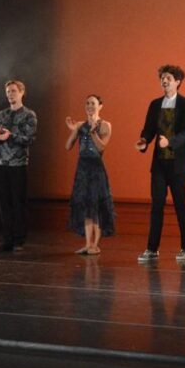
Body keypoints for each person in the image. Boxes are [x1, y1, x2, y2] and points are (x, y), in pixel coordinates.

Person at [135, 65, 185, 262]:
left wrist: (170, 142)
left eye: (168, 77)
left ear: (177, 81)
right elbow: (148, 129)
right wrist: (144, 141)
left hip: (178, 164)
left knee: (179, 205)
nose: (164, 80)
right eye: (162, 77)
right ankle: (152, 249)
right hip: (159, 163)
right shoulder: (155, 104)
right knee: (156, 205)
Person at [0, 79, 38, 252]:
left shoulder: (29, 114)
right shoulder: (1, 114)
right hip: (2, 163)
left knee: (18, 203)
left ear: (22, 92)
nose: (10, 94)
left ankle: (19, 239)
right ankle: (7, 239)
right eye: (8, 91)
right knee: (4, 204)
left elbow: (30, 139)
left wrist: (10, 136)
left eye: (13, 91)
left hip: (18, 164)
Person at [65, 95, 116, 255]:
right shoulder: (80, 125)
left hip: (96, 169)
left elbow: (101, 148)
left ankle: (95, 245)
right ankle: (88, 244)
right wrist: (74, 131)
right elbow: (68, 146)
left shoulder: (105, 125)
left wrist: (93, 132)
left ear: (100, 106)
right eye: (87, 103)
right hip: (82, 168)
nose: (89, 106)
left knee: (97, 207)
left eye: (93, 103)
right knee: (86, 206)